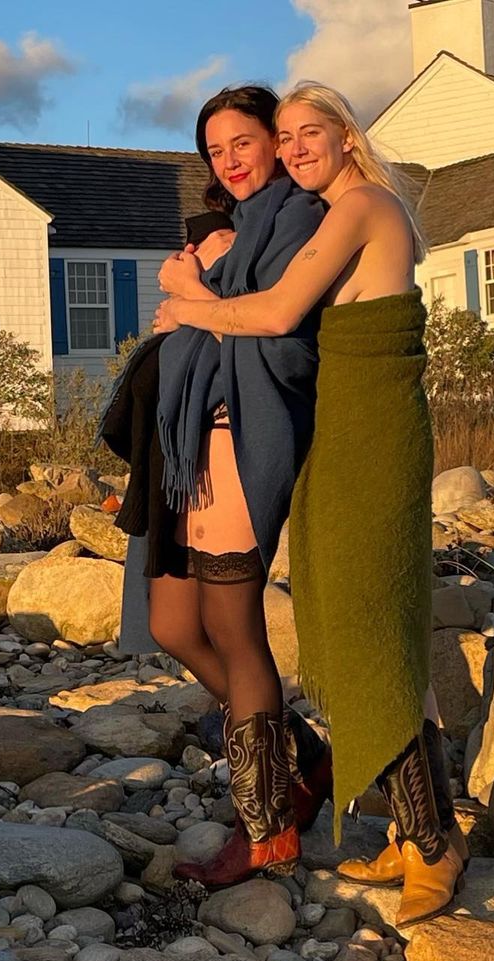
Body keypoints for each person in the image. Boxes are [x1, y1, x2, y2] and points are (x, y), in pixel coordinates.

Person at [154, 82, 468, 927]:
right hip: (336, 431)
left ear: (345, 135)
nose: (292, 148)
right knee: (349, 623)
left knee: (373, 624)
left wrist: (188, 301)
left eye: (306, 133)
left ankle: (435, 844)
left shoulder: (362, 206)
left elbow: (280, 311)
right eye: (285, 135)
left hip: (375, 432)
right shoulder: (331, 211)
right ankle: (411, 829)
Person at [102, 85, 333, 887]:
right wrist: (191, 304)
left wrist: (194, 300)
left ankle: (265, 827)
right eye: (215, 149)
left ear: (275, 140)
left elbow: (285, 342)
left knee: (236, 631)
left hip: (240, 438)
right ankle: (300, 754)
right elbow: (199, 320)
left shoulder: (300, 220)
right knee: (173, 623)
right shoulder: (227, 228)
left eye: (243, 142)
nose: (230, 160)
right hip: (183, 446)